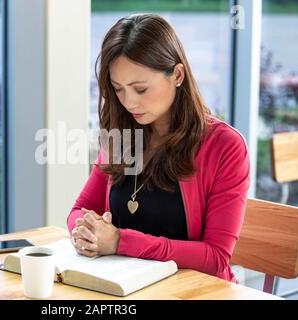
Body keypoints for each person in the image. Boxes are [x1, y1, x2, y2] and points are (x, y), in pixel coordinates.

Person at [67, 13, 250, 282]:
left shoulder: (225, 146)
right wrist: (86, 232)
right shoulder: (122, 135)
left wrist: (120, 241)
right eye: (118, 89)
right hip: (129, 288)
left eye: (140, 89)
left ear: (177, 75)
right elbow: (78, 211)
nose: (129, 103)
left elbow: (215, 258)